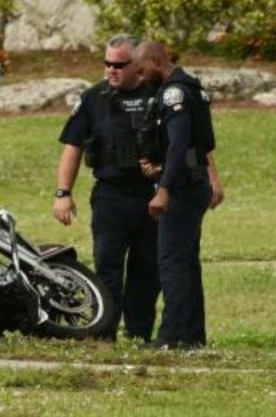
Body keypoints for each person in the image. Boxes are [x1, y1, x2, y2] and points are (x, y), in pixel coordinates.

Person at [53, 33, 160, 342]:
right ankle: (104, 334)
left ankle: (140, 334)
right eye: (107, 64)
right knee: (107, 269)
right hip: (110, 196)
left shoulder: (156, 94)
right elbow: (72, 147)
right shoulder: (93, 98)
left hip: (149, 196)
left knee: (147, 270)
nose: (111, 70)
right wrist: (63, 193)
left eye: (119, 65)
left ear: (137, 64)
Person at [133, 40, 218, 349]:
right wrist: (158, 170)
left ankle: (172, 336)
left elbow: (179, 144)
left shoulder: (174, 93)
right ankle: (193, 336)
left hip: (182, 189)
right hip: (189, 183)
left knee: (171, 263)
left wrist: (164, 189)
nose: (141, 79)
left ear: (155, 61)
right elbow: (197, 147)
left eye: (142, 71)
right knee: (186, 263)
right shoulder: (188, 87)